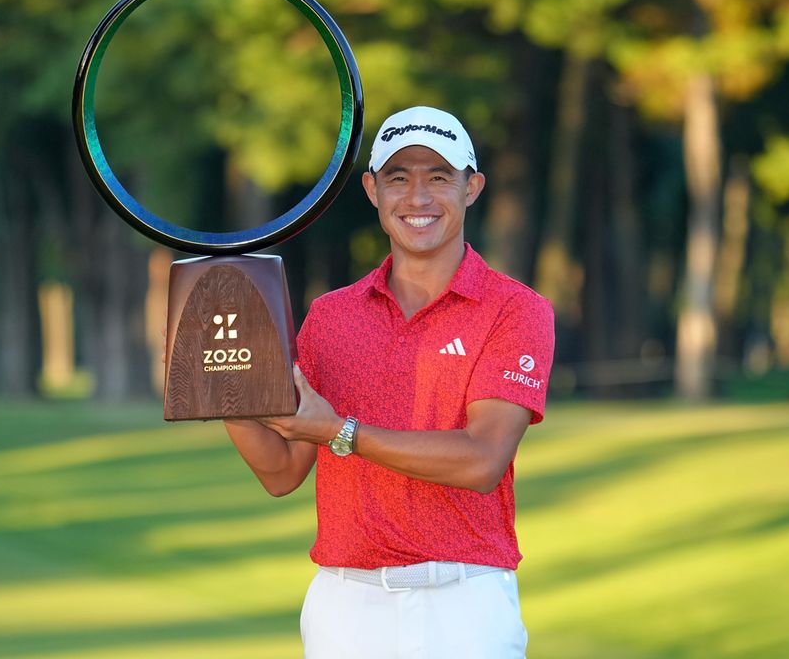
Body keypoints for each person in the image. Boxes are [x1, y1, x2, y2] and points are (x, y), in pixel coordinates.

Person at [223, 106, 555, 658]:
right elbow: (282, 471)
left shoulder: (515, 310)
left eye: (439, 178)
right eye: (399, 178)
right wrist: (227, 393)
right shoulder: (331, 316)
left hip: (465, 601)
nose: (418, 198)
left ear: (472, 188)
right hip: (345, 606)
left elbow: (481, 460)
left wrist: (339, 432)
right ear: (373, 190)